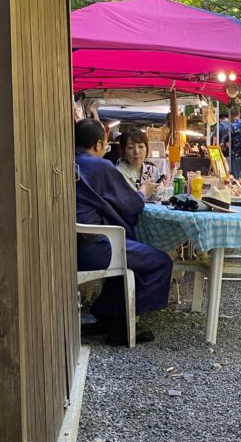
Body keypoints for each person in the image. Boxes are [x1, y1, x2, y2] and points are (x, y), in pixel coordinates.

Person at [74, 118, 173, 345]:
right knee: (160, 262)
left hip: (69, 244)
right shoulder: (101, 166)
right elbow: (131, 205)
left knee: (127, 258)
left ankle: (107, 317)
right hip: (93, 247)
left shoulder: (66, 162)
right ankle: (122, 322)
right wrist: (143, 191)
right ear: (99, 144)